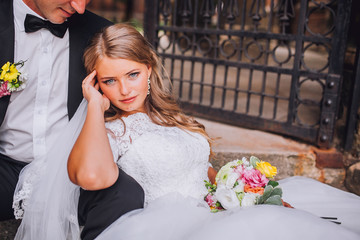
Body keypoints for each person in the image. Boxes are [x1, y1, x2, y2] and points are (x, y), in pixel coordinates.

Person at [15, 24, 360, 240]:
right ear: (96, 83)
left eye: (132, 74)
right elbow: (91, 175)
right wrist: (93, 104)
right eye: (109, 80)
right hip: (174, 228)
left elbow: (203, 169)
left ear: (148, 69)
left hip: (220, 208)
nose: (123, 90)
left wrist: (244, 191)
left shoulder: (171, 116)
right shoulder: (110, 131)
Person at [0, 0, 144, 239]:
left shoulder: (99, 34)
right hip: (5, 165)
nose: (79, 7)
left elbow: (132, 95)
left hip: (69, 170)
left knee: (125, 195)